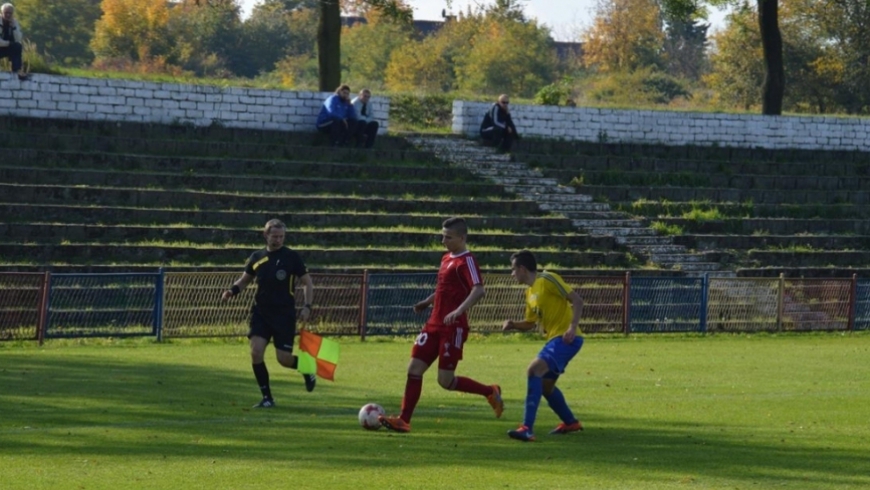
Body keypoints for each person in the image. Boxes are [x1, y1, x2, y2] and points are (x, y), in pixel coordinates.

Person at [379, 217, 504, 433]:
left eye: (448, 237)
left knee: (445, 381)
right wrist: (427, 301)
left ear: (462, 238)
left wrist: (458, 311)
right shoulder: (446, 258)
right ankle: (403, 420)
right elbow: (445, 288)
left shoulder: (468, 261)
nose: (442, 240)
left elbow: (479, 289)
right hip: (434, 324)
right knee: (414, 369)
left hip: (453, 327)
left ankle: (489, 391)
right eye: (442, 235)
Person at [221, 219, 316, 408]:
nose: (278, 240)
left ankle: (307, 368)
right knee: (256, 352)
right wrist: (232, 291)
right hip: (261, 313)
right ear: (266, 235)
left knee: (284, 359)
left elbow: (307, 282)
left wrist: (307, 306)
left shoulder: (291, 257)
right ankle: (267, 398)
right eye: (275, 236)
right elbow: (244, 280)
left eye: (281, 236)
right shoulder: (257, 257)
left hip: (284, 315)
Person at [501, 250, 585, 442]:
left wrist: (572, 327)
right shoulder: (529, 292)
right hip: (554, 340)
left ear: (522, 269)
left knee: (533, 370)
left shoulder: (548, 279)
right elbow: (531, 323)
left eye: (513, 269)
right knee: (546, 387)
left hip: (565, 339)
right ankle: (570, 422)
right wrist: (514, 324)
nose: (512, 274)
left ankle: (527, 429)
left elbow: (577, 300)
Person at [0, 3, 29, 81]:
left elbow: (18, 39)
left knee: (17, 46)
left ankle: (17, 70)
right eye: (6, 13)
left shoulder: (14, 22)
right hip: (2, 45)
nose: (8, 15)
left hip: (5, 46)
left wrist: (14, 27)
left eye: (10, 13)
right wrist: (8, 43)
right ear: (1, 13)